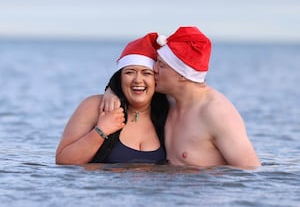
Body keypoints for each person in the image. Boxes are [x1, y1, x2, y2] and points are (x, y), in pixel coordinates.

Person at [102, 26, 261, 169]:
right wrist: (112, 90)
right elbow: (133, 87)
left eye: (161, 65)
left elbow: (251, 172)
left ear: (182, 75)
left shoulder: (215, 112)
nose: (154, 69)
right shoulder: (169, 101)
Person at [55, 32, 169, 165]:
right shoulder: (95, 106)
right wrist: (101, 131)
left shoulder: (170, 113)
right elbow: (63, 160)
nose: (138, 80)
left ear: (156, 79)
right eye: (129, 72)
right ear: (119, 78)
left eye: (146, 73)